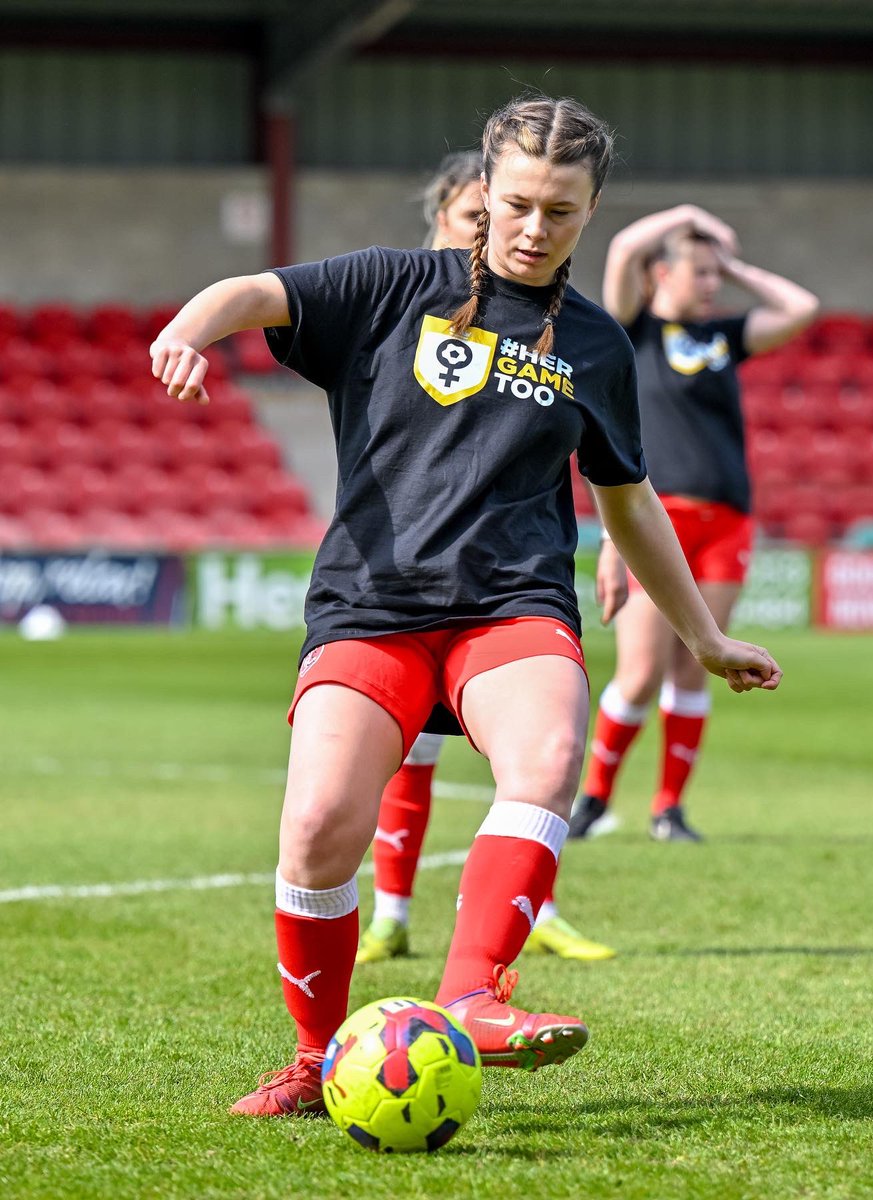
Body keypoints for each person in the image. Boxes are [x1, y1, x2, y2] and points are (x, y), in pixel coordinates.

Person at [150, 97, 782, 1119]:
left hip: (512, 605)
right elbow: (248, 290)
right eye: (521, 204)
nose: (536, 228)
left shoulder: (595, 344)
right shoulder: (390, 287)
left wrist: (702, 636)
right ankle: (317, 1062)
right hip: (371, 605)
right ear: (484, 194)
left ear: (591, 213)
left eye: (563, 212)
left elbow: (627, 501)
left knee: (543, 760)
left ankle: (472, 995)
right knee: (314, 827)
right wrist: (187, 328)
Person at [358, 149, 618, 966]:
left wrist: (615, 538)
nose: (510, 235)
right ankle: (392, 912)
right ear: (445, 225)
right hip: (402, 580)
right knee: (413, 752)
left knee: (541, 756)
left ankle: (530, 914)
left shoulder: (560, 331)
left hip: (509, 586)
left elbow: (602, 459)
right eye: (479, 219)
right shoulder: (406, 309)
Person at [569, 204, 816, 844]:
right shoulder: (633, 331)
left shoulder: (723, 336)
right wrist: (687, 215)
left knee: (693, 669)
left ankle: (669, 810)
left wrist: (733, 265)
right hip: (660, 521)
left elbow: (801, 308)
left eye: (715, 275)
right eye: (698, 272)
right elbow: (623, 247)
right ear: (660, 274)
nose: (710, 285)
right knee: (642, 672)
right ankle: (593, 799)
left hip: (728, 520)